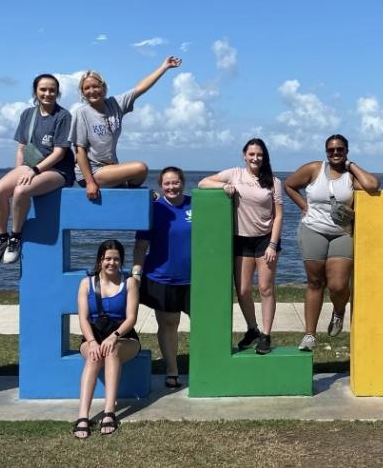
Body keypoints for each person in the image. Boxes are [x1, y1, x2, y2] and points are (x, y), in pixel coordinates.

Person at [284, 134, 380, 352]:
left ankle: (338, 311)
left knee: (338, 285)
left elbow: (372, 185)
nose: (335, 153)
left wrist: (351, 165)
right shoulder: (314, 169)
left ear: (346, 151)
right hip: (313, 230)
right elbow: (289, 185)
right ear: (325, 152)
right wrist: (303, 206)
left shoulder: (350, 175)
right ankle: (310, 334)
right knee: (315, 282)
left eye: (340, 150)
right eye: (331, 150)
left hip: (341, 234)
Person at [199, 139, 283, 354]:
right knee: (243, 290)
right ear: (244, 155)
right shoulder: (234, 174)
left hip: (266, 240)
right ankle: (252, 329)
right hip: (241, 239)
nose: (256, 158)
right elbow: (203, 183)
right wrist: (224, 186)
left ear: (265, 157)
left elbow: (278, 215)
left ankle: (266, 335)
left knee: (265, 288)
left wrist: (273, 245)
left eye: (260, 155)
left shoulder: (273, 182)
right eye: (252, 154)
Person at [0, 74, 75, 264]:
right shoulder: (27, 114)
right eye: (43, 89)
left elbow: (59, 153)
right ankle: (1, 237)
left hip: (58, 170)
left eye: (52, 90)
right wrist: (19, 171)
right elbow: (22, 148)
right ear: (35, 91)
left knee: (21, 190)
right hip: (30, 166)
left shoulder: (63, 116)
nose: (47, 93)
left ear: (57, 93)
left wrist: (33, 172)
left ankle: (16, 237)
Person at [72, 55, 182, 200]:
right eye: (87, 88)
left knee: (141, 174)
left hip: (111, 168)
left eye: (95, 86)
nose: (92, 91)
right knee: (140, 168)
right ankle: (130, 191)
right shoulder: (82, 113)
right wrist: (90, 183)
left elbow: (140, 88)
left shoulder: (115, 104)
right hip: (91, 173)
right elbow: (79, 150)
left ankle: (129, 192)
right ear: (83, 92)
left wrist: (164, 67)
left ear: (103, 88)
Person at [73, 240, 141, 438]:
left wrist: (114, 336)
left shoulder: (130, 283)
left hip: (124, 338)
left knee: (112, 351)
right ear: (100, 260)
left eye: (116, 259)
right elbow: (83, 319)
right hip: (93, 337)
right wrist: (93, 342)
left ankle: (109, 411)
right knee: (94, 356)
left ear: (121, 261)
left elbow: (131, 318)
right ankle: (83, 415)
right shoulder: (86, 283)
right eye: (107, 258)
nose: (112, 263)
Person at [132, 167, 191, 389]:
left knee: (205, 324)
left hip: (195, 280)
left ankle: (206, 366)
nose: (172, 187)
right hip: (162, 278)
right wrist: (136, 272)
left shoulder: (195, 205)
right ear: (160, 186)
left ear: (183, 183)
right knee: (168, 324)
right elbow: (140, 245)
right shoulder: (154, 209)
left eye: (175, 182)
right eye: (167, 183)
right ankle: (172, 370)